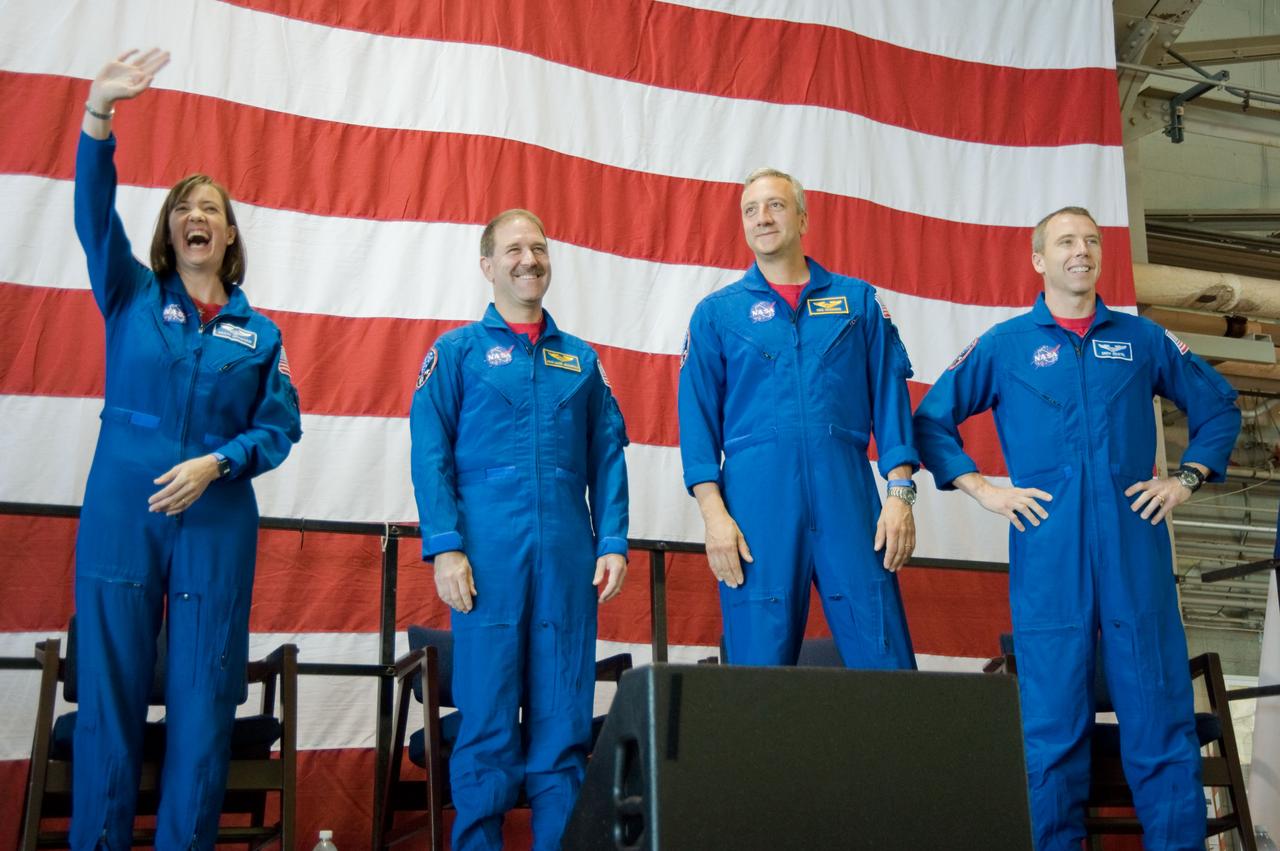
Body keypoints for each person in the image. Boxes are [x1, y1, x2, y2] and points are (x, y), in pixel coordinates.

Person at [913, 207, 1240, 850]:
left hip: (1134, 551)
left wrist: (1187, 478)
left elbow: (1220, 406)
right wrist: (982, 489)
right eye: (1066, 241)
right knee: (1051, 732)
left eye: (1091, 240)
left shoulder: (1143, 339)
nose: (1081, 250)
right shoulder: (1006, 345)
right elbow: (930, 420)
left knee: (1160, 724)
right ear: (1040, 260)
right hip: (1049, 556)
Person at [71, 49, 302, 848]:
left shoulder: (260, 335)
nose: (195, 215)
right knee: (109, 696)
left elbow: (279, 427)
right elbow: (93, 213)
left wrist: (217, 463)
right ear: (170, 230)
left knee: (204, 703)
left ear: (228, 233)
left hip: (216, 517)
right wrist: (99, 115)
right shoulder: (129, 292)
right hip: (121, 508)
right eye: (182, 207)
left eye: (210, 207)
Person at [409, 209, 629, 850]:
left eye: (538, 248)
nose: (528, 259)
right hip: (487, 556)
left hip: (566, 554)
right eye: (513, 249)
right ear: (487, 265)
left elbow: (608, 456)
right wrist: (445, 547)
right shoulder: (456, 354)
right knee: (487, 721)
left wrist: (613, 540)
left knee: (563, 724)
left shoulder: (580, 361)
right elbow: (430, 457)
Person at [678, 167, 919, 668]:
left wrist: (899, 495)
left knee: (884, 661)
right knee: (757, 674)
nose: (762, 218)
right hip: (755, 508)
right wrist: (714, 516)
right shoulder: (716, 314)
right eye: (751, 210)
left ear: (803, 218)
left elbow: (889, 398)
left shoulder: (858, 302)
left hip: (846, 498)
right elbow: (696, 423)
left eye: (776, 205)